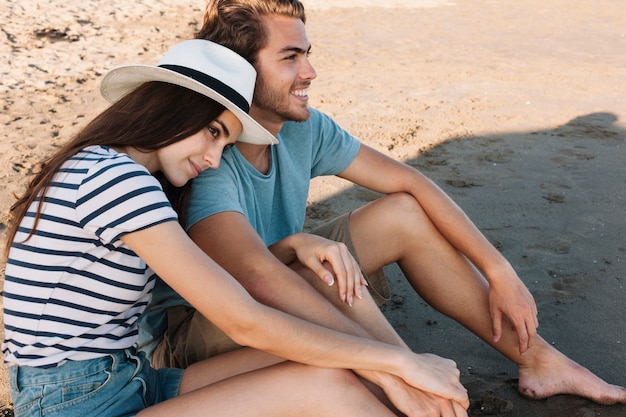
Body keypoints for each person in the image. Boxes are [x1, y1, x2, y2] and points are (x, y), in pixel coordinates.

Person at [139, 0, 626, 414]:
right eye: (289, 58)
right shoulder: (209, 158)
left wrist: (498, 269)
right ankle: (408, 383)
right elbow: (258, 279)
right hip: (197, 332)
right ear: (242, 70)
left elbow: (411, 182)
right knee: (317, 270)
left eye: (307, 54)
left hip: (281, 276)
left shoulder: (302, 127)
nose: (309, 72)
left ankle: (539, 359)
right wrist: (396, 362)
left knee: (401, 215)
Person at [1, 38, 471, 417]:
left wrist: (290, 245)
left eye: (223, 142)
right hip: (78, 404)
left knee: (325, 357)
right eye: (213, 132)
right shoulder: (116, 179)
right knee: (327, 383)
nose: (212, 159)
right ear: (174, 108)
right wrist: (398, 362)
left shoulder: (111, 171)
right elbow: (241, 319)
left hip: (129, 379)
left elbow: (209, 281)